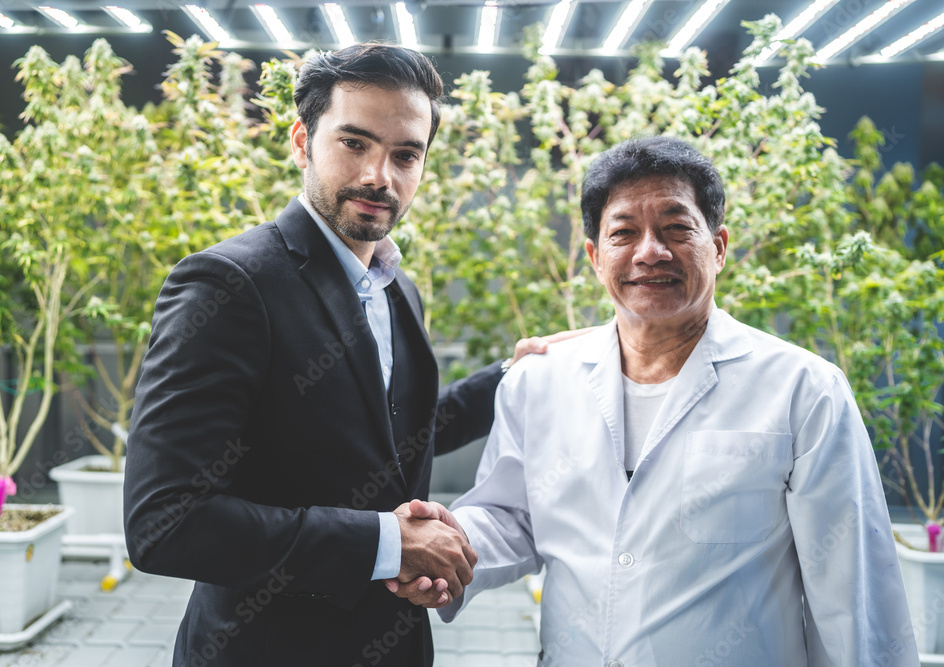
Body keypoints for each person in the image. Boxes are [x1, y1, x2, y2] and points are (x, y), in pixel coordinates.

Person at [389, 137, 920, 666]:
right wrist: (447, 546)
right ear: (597, 258)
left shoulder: (803, 390)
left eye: (676, 228)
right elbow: (511, 518)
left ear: (719, 246)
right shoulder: (539, 383)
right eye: (624, 232)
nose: (650, 251)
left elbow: (852, 593)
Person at [123, 42, 564, 667]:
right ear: (303, 141)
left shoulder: (393, 285)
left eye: (405, 154)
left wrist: (517, 373)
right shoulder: (229, 284)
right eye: (354, 143)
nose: (379, 176)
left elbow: (388, 436)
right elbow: (165, 523)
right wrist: (390, 543)